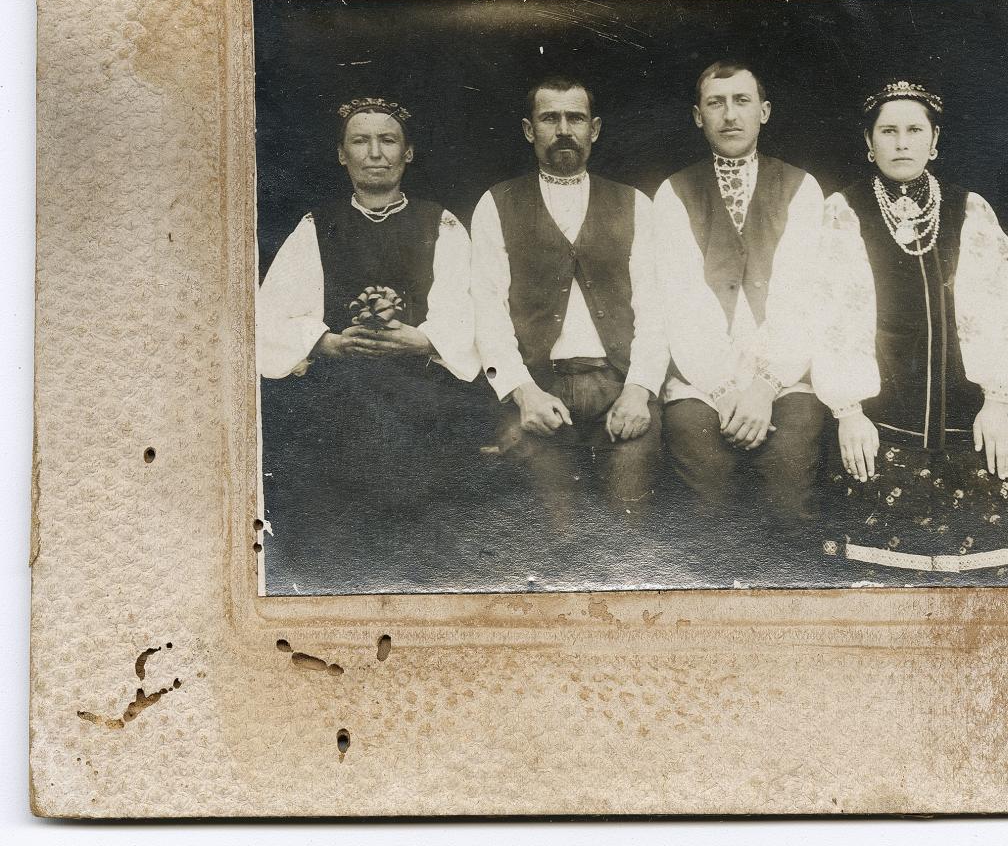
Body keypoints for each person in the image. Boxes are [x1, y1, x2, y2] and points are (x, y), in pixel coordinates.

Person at [813, 79, 1008, 576]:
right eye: (888, 131)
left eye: (914, 130)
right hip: (881, 412)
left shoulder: (969, 209)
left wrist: (998, 401)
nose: (901, 142)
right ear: (868, 142)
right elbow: (832, 315)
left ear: (934, 140)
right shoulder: (844, 211)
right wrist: (849, 409)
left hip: (973, 408)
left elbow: (1005, 307)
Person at [256, 97, 484, 593]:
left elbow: (467, 308)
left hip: (422, 398)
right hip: (340, 393)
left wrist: (422, 340)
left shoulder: (439, 223)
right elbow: (271, 312)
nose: (375, 152)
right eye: (361, 141)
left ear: (408, 153)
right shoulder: (318, 225)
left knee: (424, 530)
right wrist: (327, 343)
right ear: (342, 154)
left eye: (388, 140)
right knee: (332, 521)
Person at [470, 75, 668, 542]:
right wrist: (523, 393)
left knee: (627, 534)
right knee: (555, 536)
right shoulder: (496, 203)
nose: (564, 129)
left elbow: (656, 309)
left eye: (575, 118)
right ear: (528, 129)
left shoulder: (635, 204)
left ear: (594, 129)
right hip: (539, 391)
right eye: (549, 118)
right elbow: (487, 310)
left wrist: (639, 391)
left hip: (619, 388)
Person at [653, 60, 827, 556]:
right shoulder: (674, 193)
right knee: (705, 499)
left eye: (741, 101)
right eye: (716, 103)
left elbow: (802, 299)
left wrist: (764, 388)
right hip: (703, 382)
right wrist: (726, 388)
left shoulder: (801, 188)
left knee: (788, 495)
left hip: (785, 378)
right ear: (697, 116)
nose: (729, 115)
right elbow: (680, 302)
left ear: (764, 112)